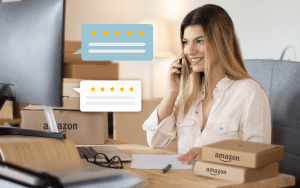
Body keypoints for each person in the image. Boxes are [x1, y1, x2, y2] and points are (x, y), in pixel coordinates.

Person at [142, 4, 272, 165]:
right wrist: (172, 92)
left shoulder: (250, 93)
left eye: (199, 41)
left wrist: (211, 154)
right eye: (186, 42)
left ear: (221, 42)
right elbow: (155, 141)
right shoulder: (188, 94)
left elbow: (260, 158)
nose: (190, 51)